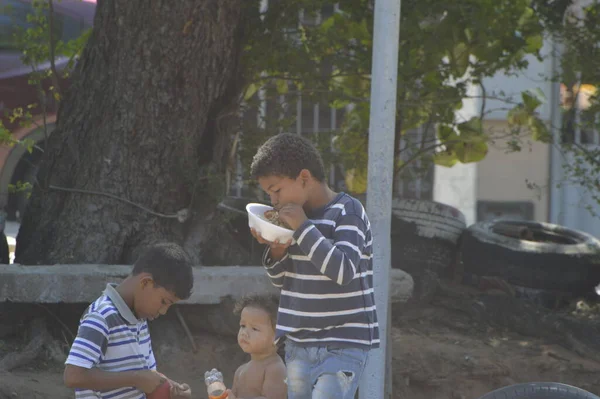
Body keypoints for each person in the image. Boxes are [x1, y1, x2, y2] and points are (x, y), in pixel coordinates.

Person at [249, 133, 379, 399]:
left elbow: (343, 271)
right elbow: (283, 281)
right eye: (268, 194)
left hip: (343, 343)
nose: (273, 201)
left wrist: (303, 227)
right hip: (299, 344)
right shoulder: (293, 220)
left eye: (276, 190)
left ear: (304, 178)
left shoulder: (347, 212)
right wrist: (277, 248)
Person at [63, 242, 194, 399]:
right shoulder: (101, 316)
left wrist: (171, 388)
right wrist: (136, 379)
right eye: (164, 302)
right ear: (145, 282)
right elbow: (73, 376)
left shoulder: (140, 319)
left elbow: (145, 377)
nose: (163, 311)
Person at [221, 294, 286, 399]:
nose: (244, 333)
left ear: (277, 336)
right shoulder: (240, 371)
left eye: (254, 329)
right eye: (243, 326)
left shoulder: (275, 369)